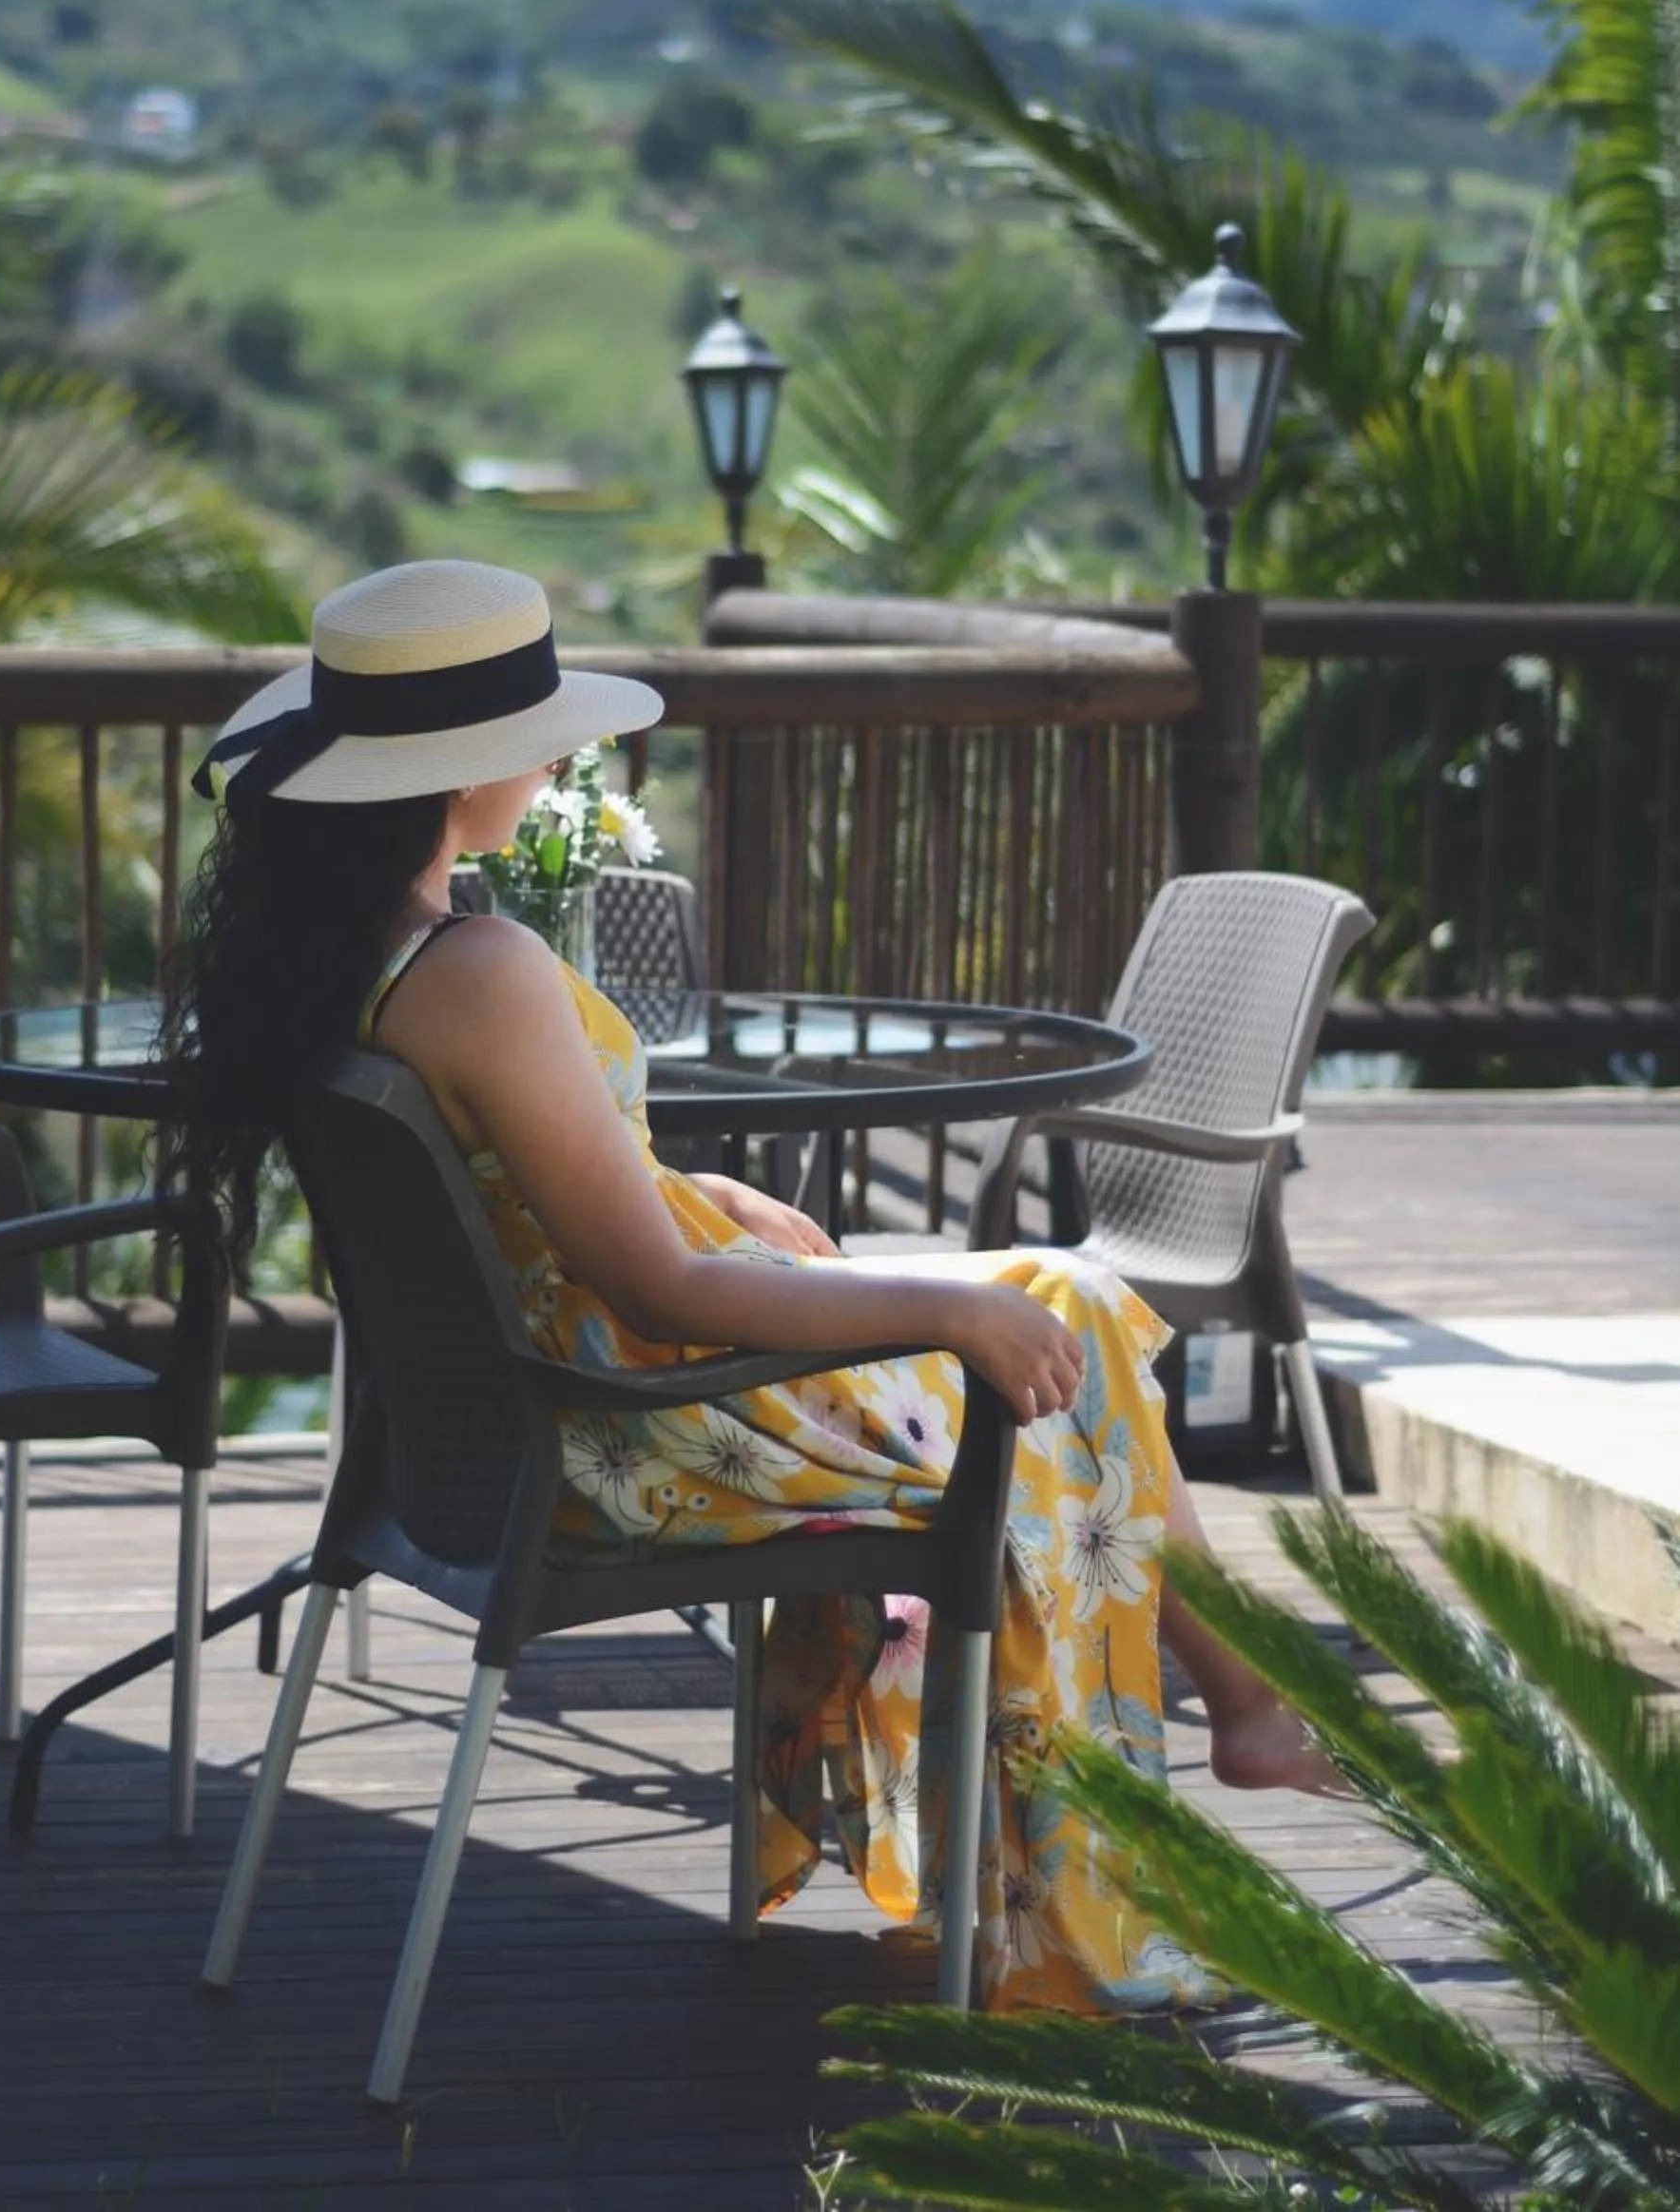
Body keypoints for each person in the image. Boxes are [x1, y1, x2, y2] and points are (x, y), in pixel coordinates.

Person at [165, 558, 1328, 2015]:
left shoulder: (354, 958)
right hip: (640, 1434)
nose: (557, 762)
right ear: (457, 773)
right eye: (536, 739)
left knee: (1057, 1294)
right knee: (1065, 1321)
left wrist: (699, 1193)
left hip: (528, 1426)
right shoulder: (480, 968)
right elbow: (660, 1292)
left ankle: (1234, 1709)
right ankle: (1172, 1798)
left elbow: (512, 1201)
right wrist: (941, 1309)